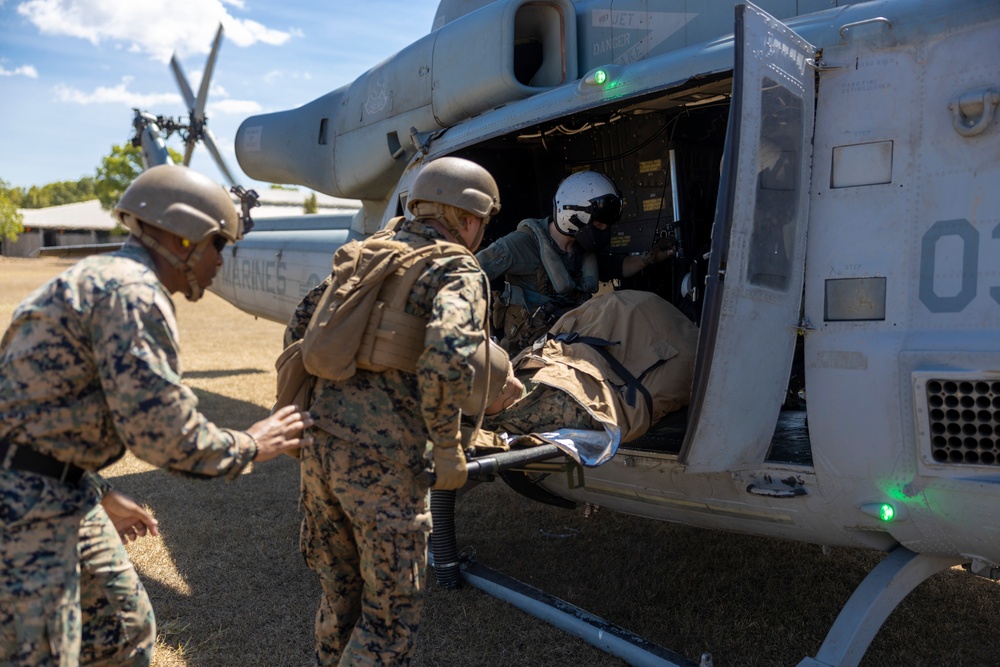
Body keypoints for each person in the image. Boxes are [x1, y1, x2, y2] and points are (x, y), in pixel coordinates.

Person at [0, 164, 314, 667]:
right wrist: (255, 442)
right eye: (218, 244)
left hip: (59, 487)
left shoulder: (102, 279)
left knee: (123, 632)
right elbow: (167, 435)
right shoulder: (132, 294)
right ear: (183, 238)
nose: (221, 261)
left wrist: (95, 491)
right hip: (24, 508)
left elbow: (36, 417)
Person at [285, 156, 499, 666]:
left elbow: (299, 326)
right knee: (387, 622)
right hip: (383, 465)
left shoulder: (367, 252)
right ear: (468, 219)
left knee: (341, 600)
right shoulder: (455, 265)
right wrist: (447, 447)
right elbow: (449, 353)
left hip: (318, 453)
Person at [480, 290, 698, 466]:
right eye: (506, 380)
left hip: (606, 335)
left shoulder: (507, 379)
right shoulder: (548, 413)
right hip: (635, 364)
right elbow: (604, 406)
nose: (512, 377)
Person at [476, 171, 675, 353]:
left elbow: (618, 267)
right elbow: (470, 273)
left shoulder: (581, 248)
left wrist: (650, 257)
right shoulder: (520, 244)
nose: (603, 228)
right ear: (572, 216)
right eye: (598, 223)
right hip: (532, 350)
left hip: (576, 339)